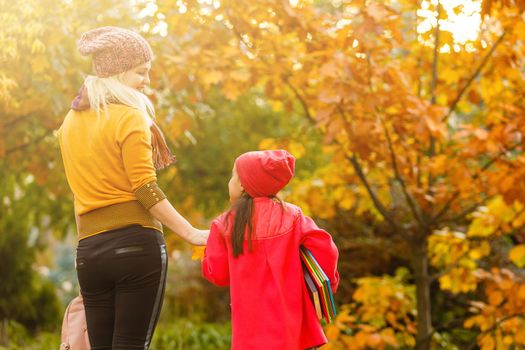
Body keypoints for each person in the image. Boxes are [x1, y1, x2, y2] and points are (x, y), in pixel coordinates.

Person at [57, 26, 208, 349]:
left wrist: (87, 248)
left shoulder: (68, 123)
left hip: (89, 253)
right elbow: (144, 187)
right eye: (142, 72)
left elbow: (78, 191)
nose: (147, 81)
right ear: (119, 71)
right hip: (136, 247)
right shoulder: (130, 117)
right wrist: (192, 233)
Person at [202, 149, 340, 350]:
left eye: (232, 175)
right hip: (294, 331)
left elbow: (218, 274)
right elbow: (326, 248)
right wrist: (327, 283)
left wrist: (206, 254)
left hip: (250, 336)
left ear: (242, 184)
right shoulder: (293, 216)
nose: (229, 181)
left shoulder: (224, 224)